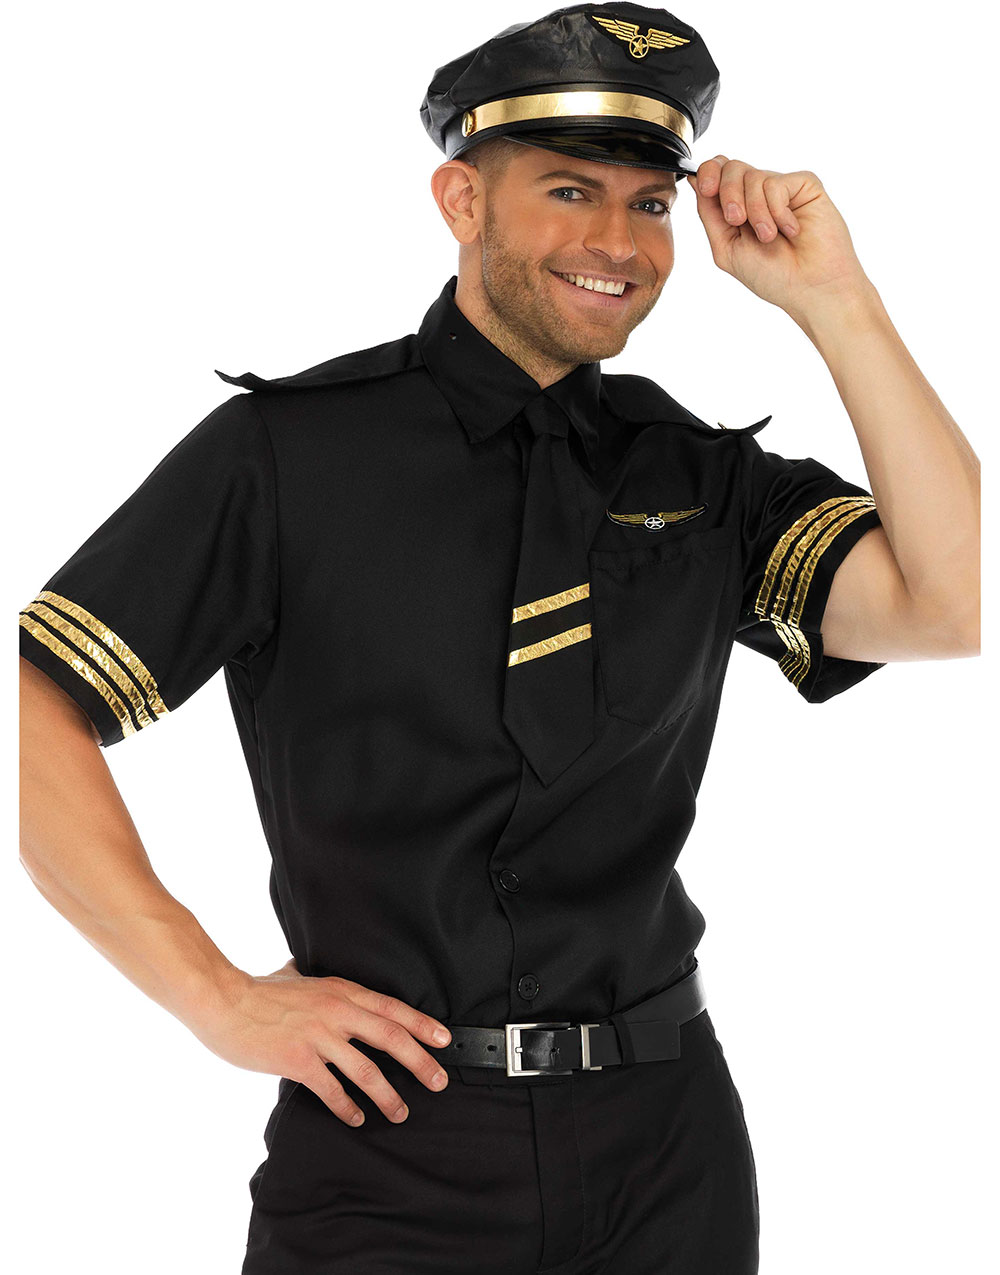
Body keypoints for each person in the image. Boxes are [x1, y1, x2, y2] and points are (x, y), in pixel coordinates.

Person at [18, 5, 980, 1273]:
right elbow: (33, 703)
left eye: (648, 205)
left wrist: (838, 304)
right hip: (388, 1147)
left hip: (667, 1145)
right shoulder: (289, 456)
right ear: (461, 200)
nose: (616, 243)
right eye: (569, 191)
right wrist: (214, 997)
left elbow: (955, 603)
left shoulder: (697, 474)